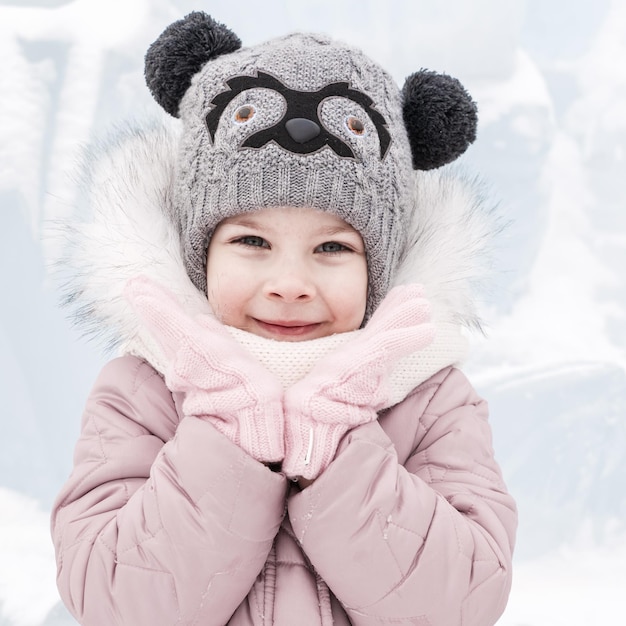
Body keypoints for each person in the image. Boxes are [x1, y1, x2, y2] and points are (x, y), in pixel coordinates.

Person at [50, 11, 517, 626]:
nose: (290, 285)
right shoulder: (143, 392)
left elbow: (462, 603)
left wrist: (341, 451)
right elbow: (114, 603)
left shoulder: (429, 400)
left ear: (380, 266)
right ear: (201, 253)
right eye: (251, 242)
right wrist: (226, 435)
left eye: (332, 249)